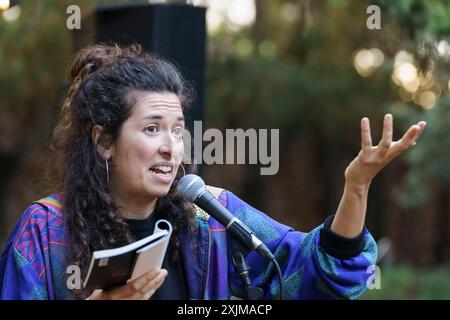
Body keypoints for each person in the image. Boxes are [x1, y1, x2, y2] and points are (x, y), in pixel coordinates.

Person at [0, 44, 426, 300]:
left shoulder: (209, 216)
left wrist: (357, 186)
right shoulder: (45, 232)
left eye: (178, 131)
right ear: (103, 141)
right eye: (152, 129)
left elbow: (314, 271)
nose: (171, 147)